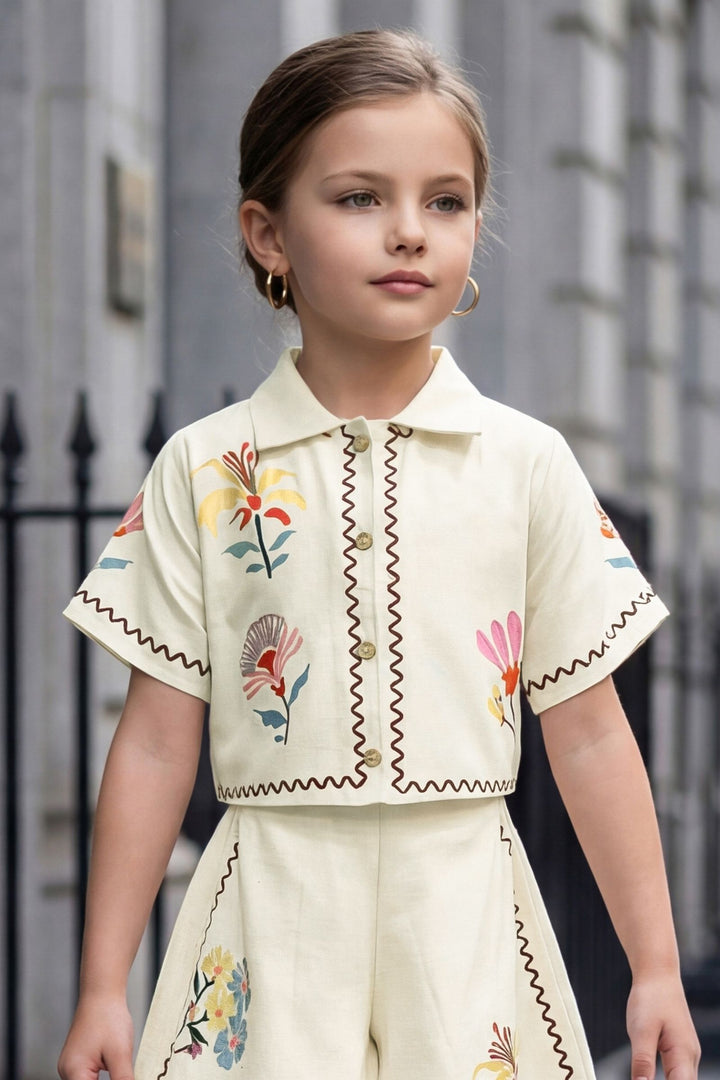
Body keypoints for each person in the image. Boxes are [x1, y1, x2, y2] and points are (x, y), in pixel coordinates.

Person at [57, 28, 700, 1080]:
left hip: (465, 922)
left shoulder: (527, 464)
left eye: (444, 202)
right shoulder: (202, 469)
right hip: (265, 922)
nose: (410, 231)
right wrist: (99, 989)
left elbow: (589, 735)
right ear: (268, 234)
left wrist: (657, 966)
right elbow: (156, 745)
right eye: (360, 198)